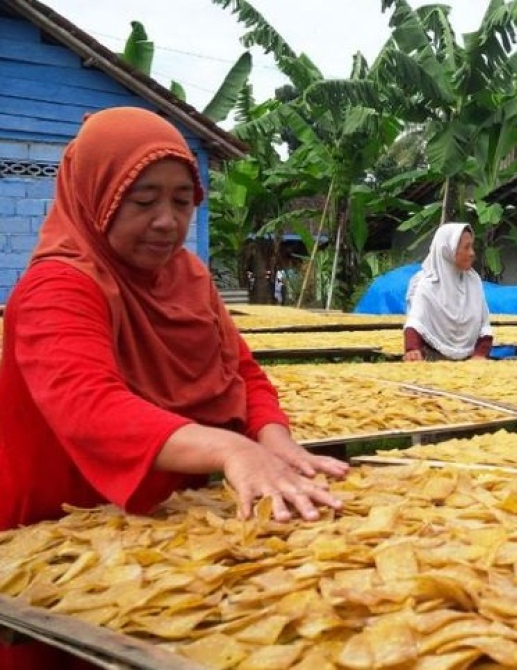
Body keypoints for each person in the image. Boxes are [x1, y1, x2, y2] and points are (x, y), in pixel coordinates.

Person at [0, 107, 350, 669]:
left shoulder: (188, 278)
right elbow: (90, 407)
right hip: (57, 539)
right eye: (142, 202)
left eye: (182, 201)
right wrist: (228, 447)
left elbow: (242, 373)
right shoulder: (59, 287)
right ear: (96, 196)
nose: (166, 220)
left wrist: (272, 437)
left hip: (166, 533)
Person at [403, 223, 493, 361]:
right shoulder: (428, 286)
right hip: (432, 360)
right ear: (448, 251)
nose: (472, 253)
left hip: (470, 364)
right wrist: (412, 350)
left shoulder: (473, 283)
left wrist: (480, 354)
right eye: (466, 247)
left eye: (471, 246)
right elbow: (415, 323)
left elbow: (484, 326)